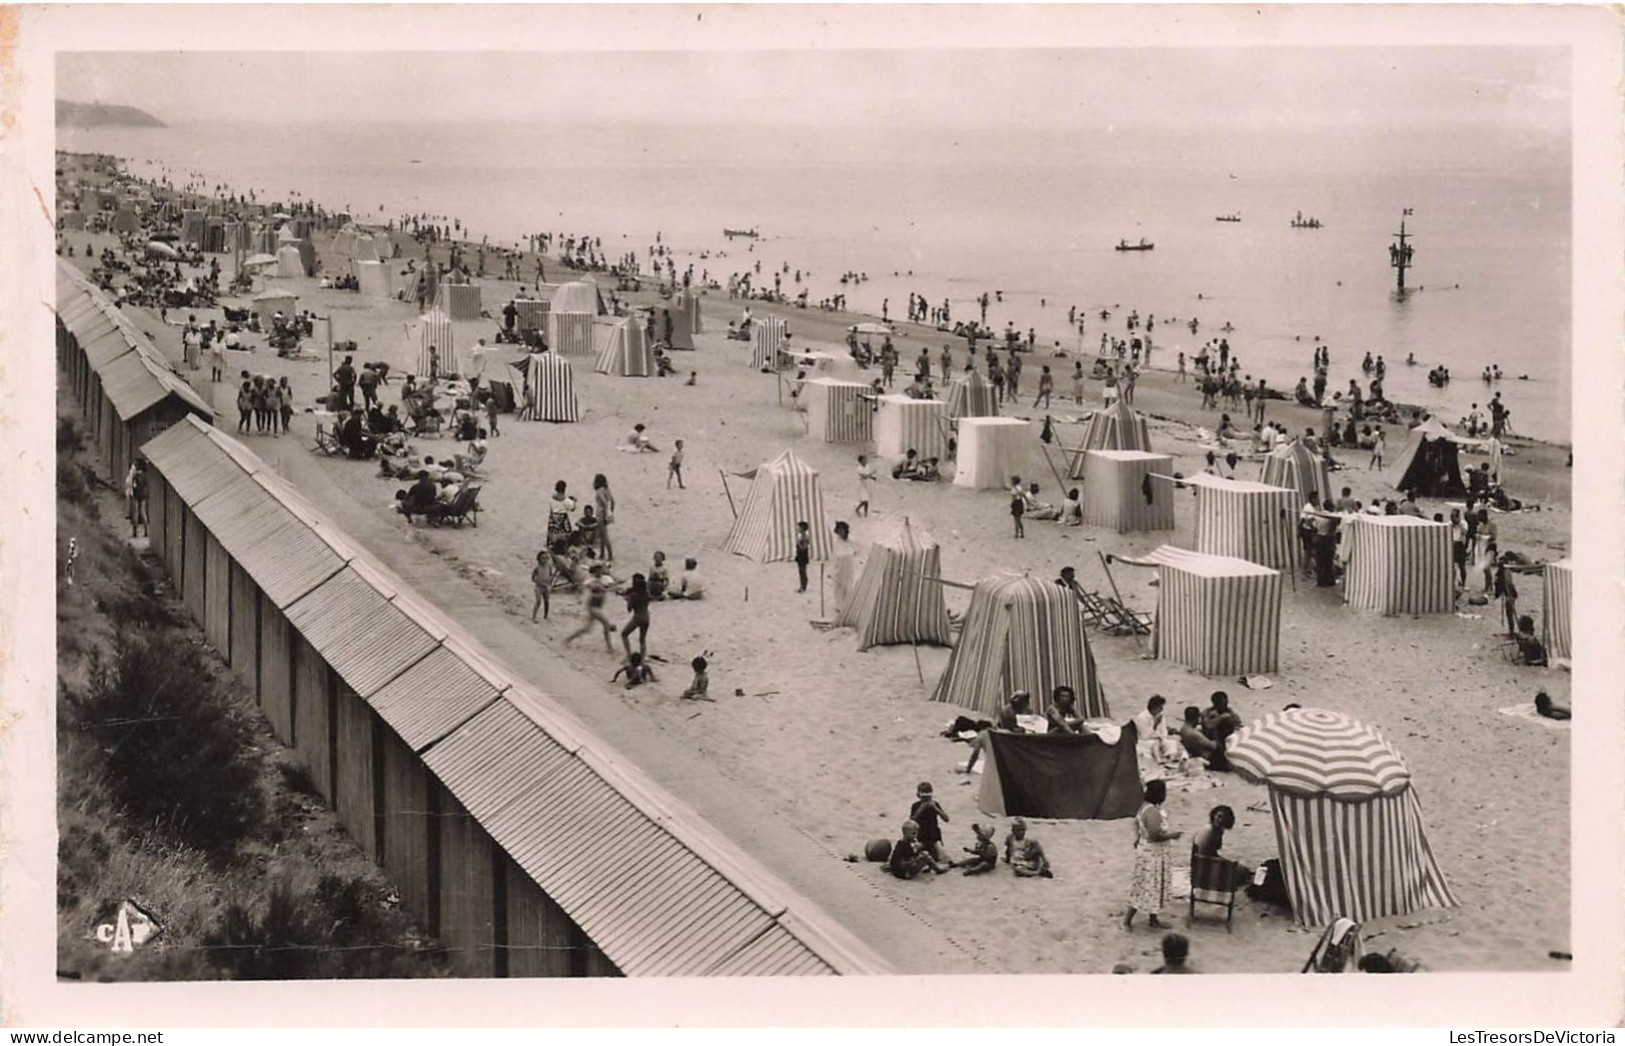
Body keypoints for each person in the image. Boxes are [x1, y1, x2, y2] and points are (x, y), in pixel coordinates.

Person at [1123, 780, 1182, 929]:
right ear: (1159, 794)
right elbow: (1155, 835)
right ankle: (1127, 921)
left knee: (1151, 886)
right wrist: (1172, 835)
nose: (1165, 795)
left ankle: (1153, 919)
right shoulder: (1153, 812)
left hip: (1148, 851)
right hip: (1152, 854)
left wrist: (1138, 837)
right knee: (1146, 885)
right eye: (1164, 792)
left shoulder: (1145, 808)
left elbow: (1136, 822)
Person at [960, 690, 1032, 774]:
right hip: (1010, 737)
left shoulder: (1026, 710)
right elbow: (1009, 727)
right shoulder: (1007, 711)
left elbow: (975, 754)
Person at [1192, 805, 1254, 888]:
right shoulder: (1209, 831)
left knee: (1244, 871)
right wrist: (1227, 864)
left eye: (1224, 818)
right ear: (1213, 815)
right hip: (1204, 869)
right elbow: (1202, 857)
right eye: (1219, 816)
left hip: (1209, 864)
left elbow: (1211, 854)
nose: (1220, 820)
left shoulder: (1217, 830)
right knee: (1243, 873)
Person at [564, 564, 616, 652]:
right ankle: (609, 647)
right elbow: (580, 588)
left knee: (587, 629)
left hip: (599, 606)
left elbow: (613, 586)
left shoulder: (606, 579)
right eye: (597, 570)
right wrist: (578, 598)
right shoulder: (590, 581)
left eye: (600, 569)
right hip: (592, 606)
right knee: (605, 624)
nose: (599, 571)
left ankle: (568, 639)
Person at [908, 783, 951, 865]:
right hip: (920, 838)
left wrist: (936, 808)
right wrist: (921, 809)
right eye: (924, 797)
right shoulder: (915, 806)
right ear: (918, 795)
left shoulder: (935, 804)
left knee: (943, 858)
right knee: (914, 854)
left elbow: (946, 819)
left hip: (933, 838)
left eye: (928, 797)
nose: (926, 800)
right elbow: (911, 822)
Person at [1200, 691, 1241, 771]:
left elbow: (1238, 724)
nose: (1225, 705)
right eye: (1222, 704)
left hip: (1226, 736)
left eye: (1226, 703)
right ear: (1215, 703)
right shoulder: (1208, 713)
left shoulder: (1229, 712)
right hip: (1212, 739)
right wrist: (1221, 718)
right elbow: (1208, 726)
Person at [619, 572, 652, 661]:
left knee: (624, 634)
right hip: (647, 617)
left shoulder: (633, 595)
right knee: (642, 639)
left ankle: (629, 655)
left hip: (637, 617)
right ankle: (643, 656)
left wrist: (627, 599)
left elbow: (629, 609)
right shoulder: (646, 593)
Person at [832, 521, 858, 619]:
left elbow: (855, 550)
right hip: (840, 564)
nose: (841, 532)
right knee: (839, 584)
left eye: (843, 530)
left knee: (848, 584)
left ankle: (847, 604)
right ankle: (839, 605)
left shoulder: (851, 540)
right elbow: (834, 555)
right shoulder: (836, 541)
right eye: (839, 531)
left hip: (849, 564)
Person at [593, 473, 616, 562]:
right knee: (603, 534)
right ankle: (602, 554)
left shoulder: (599, 491)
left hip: (601, 514)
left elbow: (604, 502)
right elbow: (613, 502)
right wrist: (610, 512)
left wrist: (605, 512)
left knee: (604, 535)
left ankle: (610, 555)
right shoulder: (607, 490)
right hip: (607, 514)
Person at [125, 460, 149, 539]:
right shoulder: (145, 476)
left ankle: (135, 533)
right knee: (143, 512)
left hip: (136, 495)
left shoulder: (135, 476)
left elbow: (130, 484)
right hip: (143, 496)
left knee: (135, 513)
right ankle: (146, 532)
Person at [530, 550, 553, 621]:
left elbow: (551, 575)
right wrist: (539, 582)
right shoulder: (537, 568)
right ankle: (534, 617)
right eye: (542, 558)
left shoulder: (549, 566)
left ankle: (546, 616)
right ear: (539, 559)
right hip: (539, 587)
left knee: (547, 601)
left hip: (546, 586)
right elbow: (533, 578)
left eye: (546, 558)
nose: (544, 560)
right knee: (538, 601)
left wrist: (549, 583)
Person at [794, 521, 811, 593]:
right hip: (800, 555)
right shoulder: (801, 536)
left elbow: (804, 547)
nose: (798, 529)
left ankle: (803, 586)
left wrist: (799, 544)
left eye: (799, 527)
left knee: (802, 571)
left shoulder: (805, 536)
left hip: (803, 555)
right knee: (801, 571)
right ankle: (802, 585)